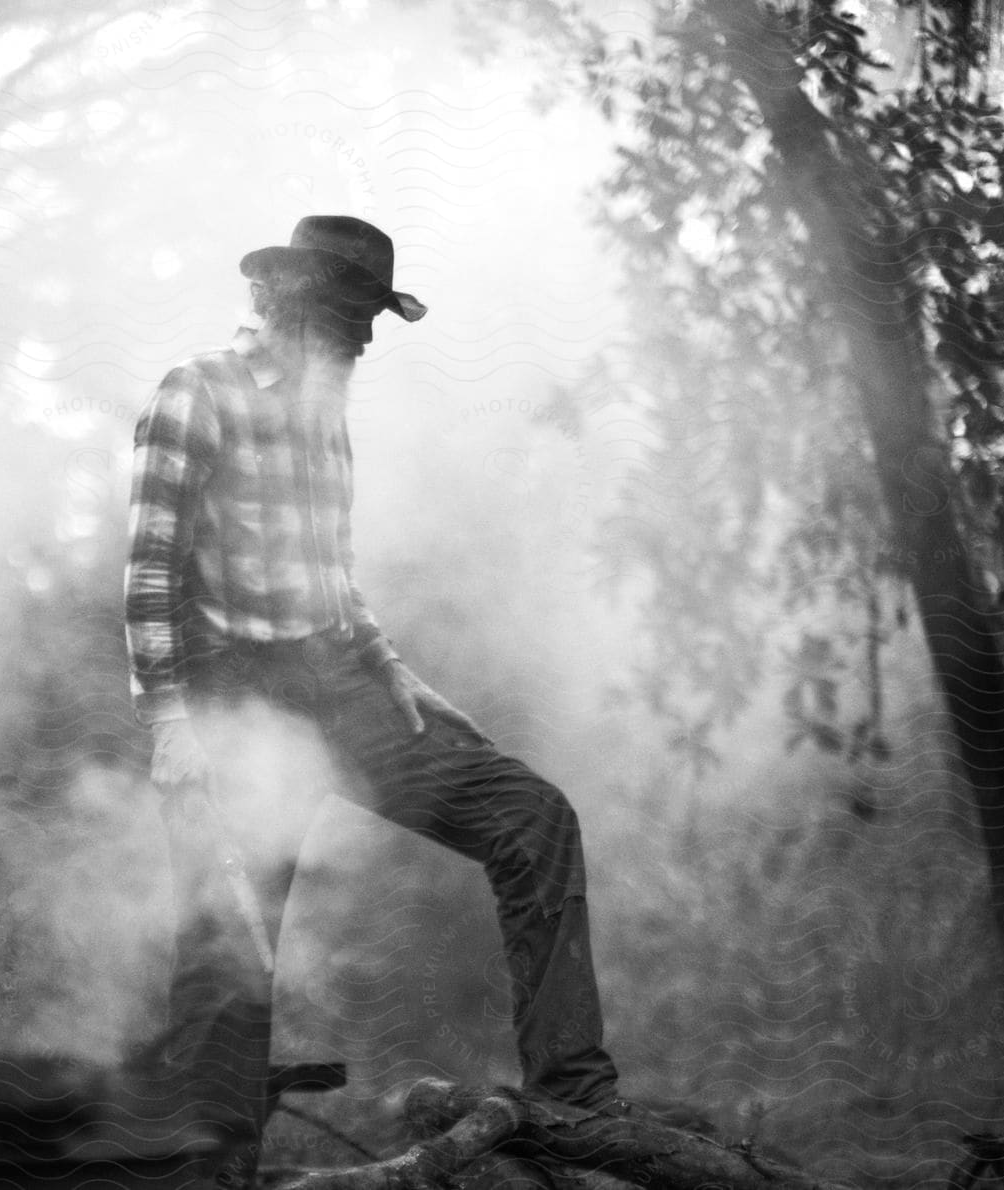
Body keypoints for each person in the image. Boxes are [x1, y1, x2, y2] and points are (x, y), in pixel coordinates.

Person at [124, 216, 631, 1188]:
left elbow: (329, 575)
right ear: (287, 307)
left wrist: (389, 666)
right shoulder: (195, 394)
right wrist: (172, 726)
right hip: (232, 698)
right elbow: (148, 573)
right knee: (229, 950)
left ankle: (578, 1103)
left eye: (367, 329)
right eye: (349, 324)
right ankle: (207, 1175)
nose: (360, 347)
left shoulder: (324, 411)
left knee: (534, 817)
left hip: (338, 682)